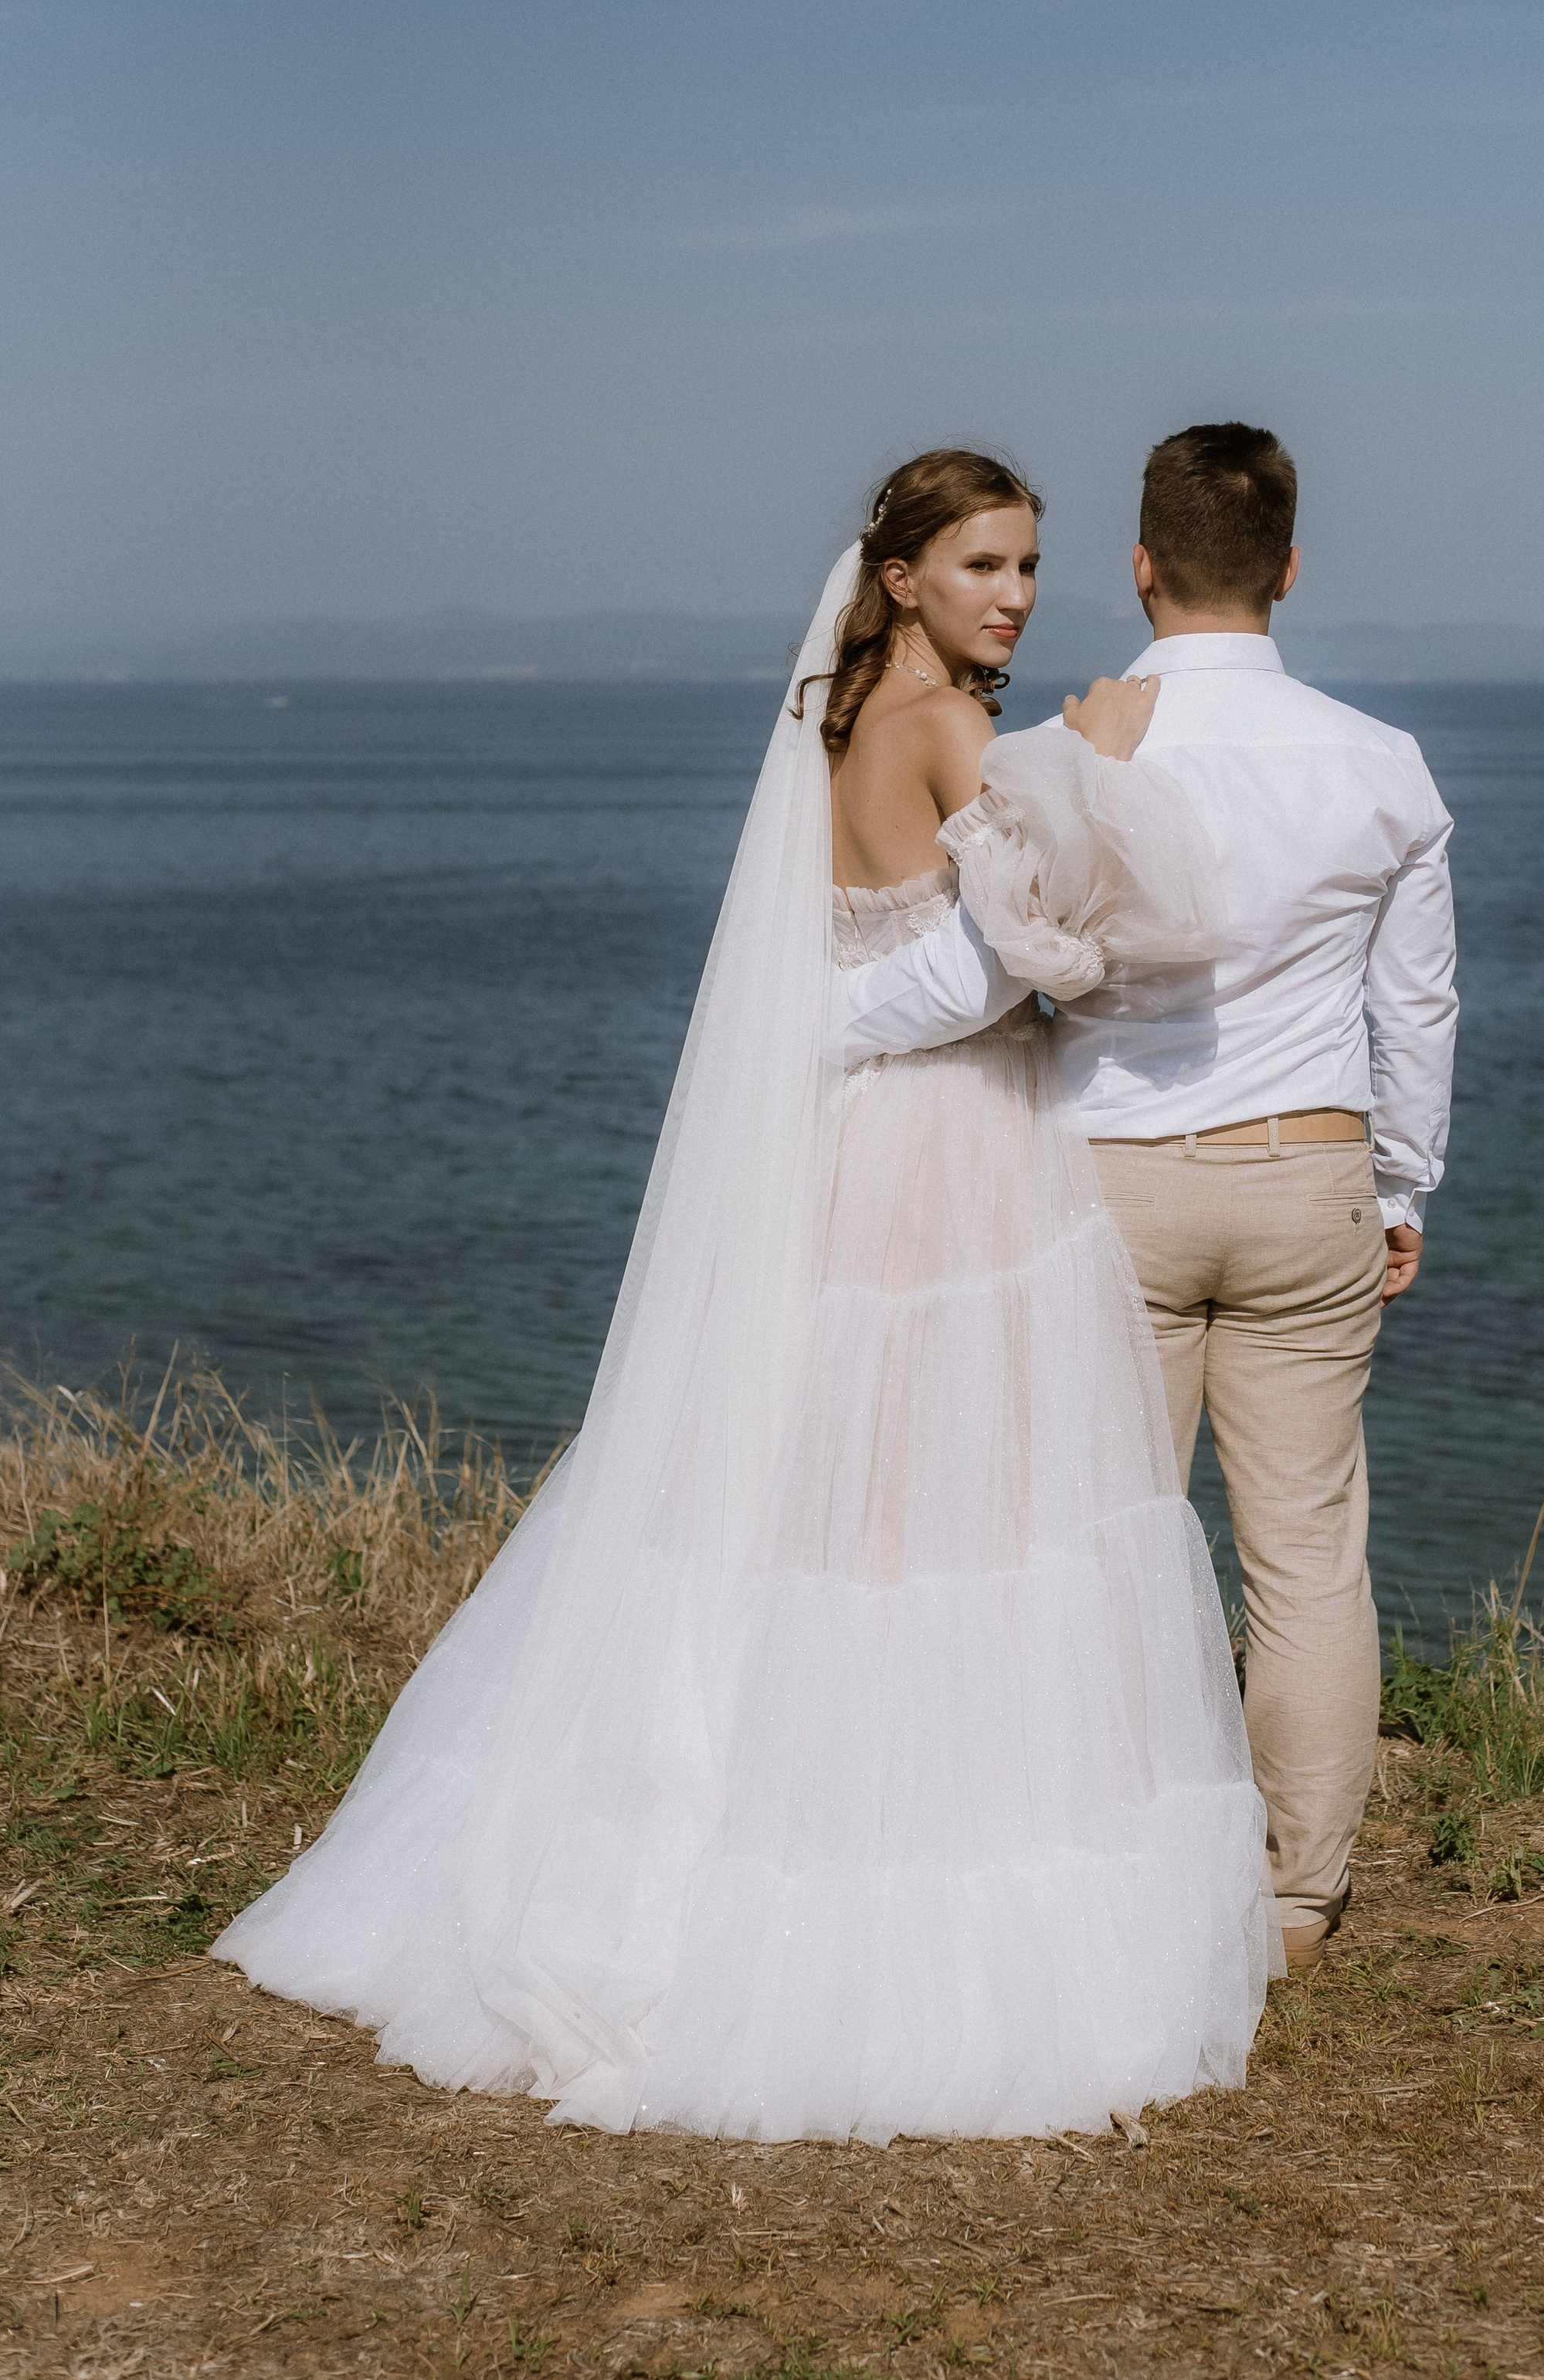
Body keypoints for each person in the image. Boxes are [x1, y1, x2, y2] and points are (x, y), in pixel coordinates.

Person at [212, 448, 1273, 2143]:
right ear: (906, 574)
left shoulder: (839, 711)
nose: (1012, 590)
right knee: (950, 1508)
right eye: (983, 562)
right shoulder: (940, 725)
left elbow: (849, 962)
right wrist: (1098, 771)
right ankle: (885, 1865)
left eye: (1027, 562)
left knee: (831, 1498)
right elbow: (983, 963)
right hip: (951, 1153)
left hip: (863, 1148)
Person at [837, 424, 1458, 1978]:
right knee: (1304, 1555)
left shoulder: (1060, 748)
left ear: (1136, 563)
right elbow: (1419, 1007)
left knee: (1097, 1536)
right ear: (1290, 571)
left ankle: (1099, 1862)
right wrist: (1400, 1185)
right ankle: (1296, 1896)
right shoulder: (1380, 764)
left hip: (1107, 1172)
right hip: (1307, 1170)